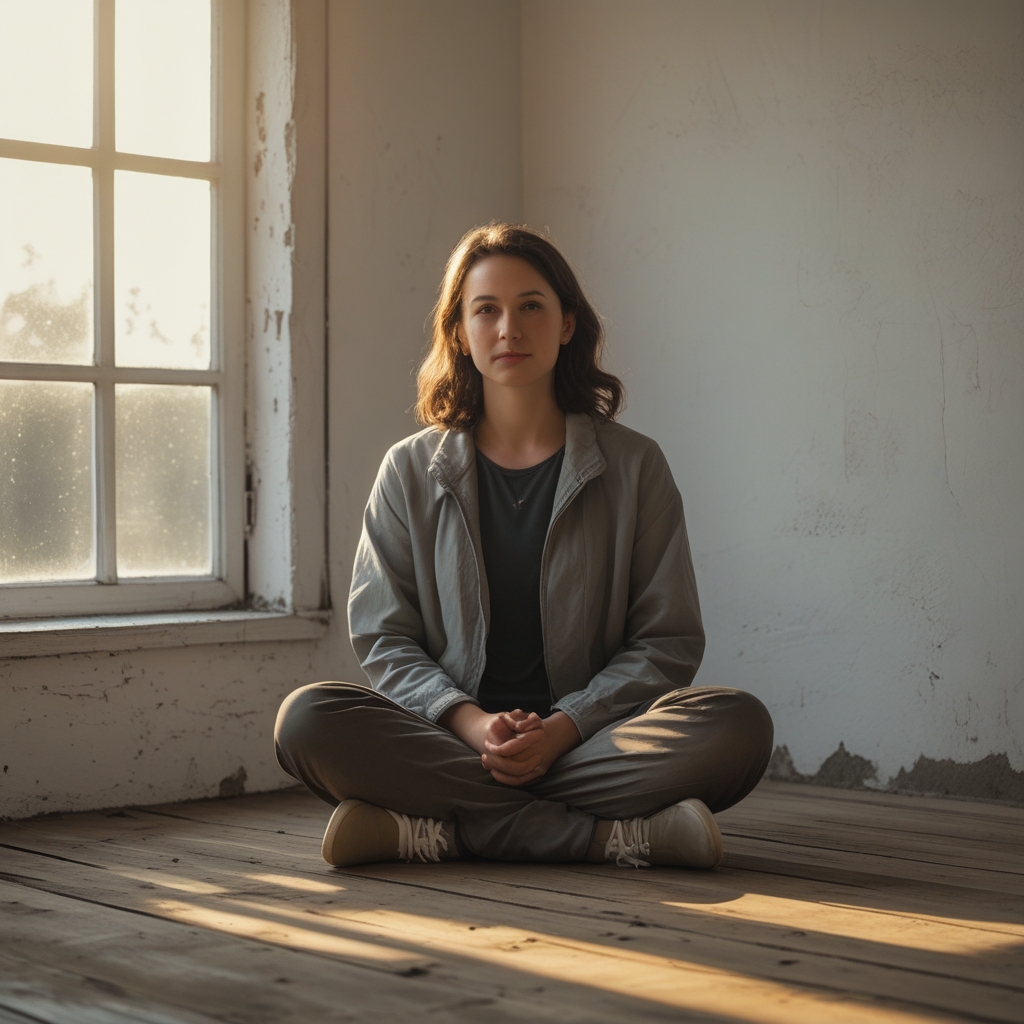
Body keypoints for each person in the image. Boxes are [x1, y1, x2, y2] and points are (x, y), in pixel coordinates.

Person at [275, 223, 773, 870]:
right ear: (460, 331)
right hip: (457, 743)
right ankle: (605, 838)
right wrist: (475, 725)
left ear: (567, 324)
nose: (509, 329)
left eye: (531, 306)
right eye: (487, 310)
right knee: (308, 720)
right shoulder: (408, 470)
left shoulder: (636, 466)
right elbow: (384, 636)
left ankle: (442, 831)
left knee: (737, 725)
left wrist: (562, 729)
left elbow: (667, 640)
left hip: (591, 743)